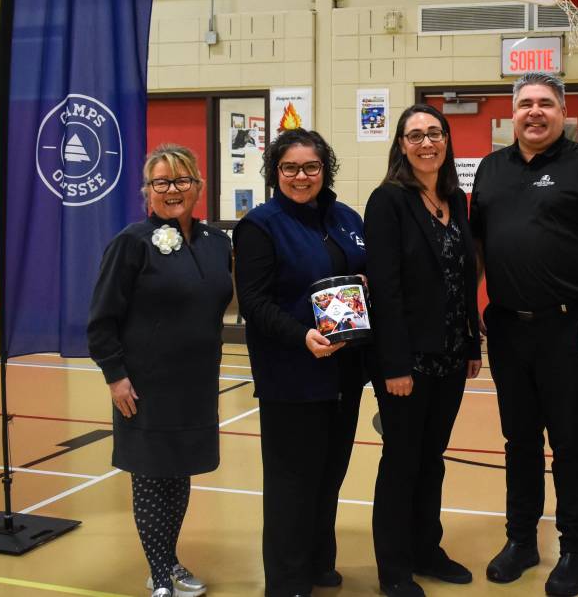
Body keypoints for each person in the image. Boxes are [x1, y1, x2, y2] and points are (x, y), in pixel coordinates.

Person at [470, 71, 578, 597]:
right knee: (518, 442)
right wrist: (470, 315)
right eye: (524, 104)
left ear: (563, 113)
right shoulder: (490, 171)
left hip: (568, 328)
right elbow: (475, 251)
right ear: (511, 114)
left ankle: (574, 550)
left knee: (569, 444)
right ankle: (520, 541)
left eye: (545, 104)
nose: (534, 112)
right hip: (509, 328)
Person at [88, 144, 232, 597]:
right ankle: (159, 575)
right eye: (162, 182)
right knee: (151, 480)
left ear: (199, 187)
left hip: (196, 384)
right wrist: (115, 375)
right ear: (147, 191)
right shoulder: (132, 243)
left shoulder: (216, 243)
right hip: (145, 387)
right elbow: (102, 319)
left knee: (178, 477)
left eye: (182, 180)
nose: (173, 190)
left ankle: (168, 560)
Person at [233, 128, 367, 597]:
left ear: (324, 169)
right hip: (291, 374)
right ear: (275, 172)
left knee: (330, 474)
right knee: (292, 484)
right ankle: (287, 581)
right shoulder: (261, 225)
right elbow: (252, 300)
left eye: (311, 167)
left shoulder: (345, 216)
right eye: (289, 168)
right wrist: (300, 336)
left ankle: (318, 563)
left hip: (344, 372)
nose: (301, 176)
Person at [364, 104, 483, 597]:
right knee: (401, 461)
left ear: (447, 140)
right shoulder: (388, 201)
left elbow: (464, 277)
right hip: (407, 360)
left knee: (432, 458)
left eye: (435, 133)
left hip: (451, 355)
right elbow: (386, 289)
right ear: (401, 145)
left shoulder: (456, 199)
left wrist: (472, 340)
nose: (426, 142)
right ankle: (394, 567)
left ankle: (425, 549)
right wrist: (393, 363)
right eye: (415, 135)